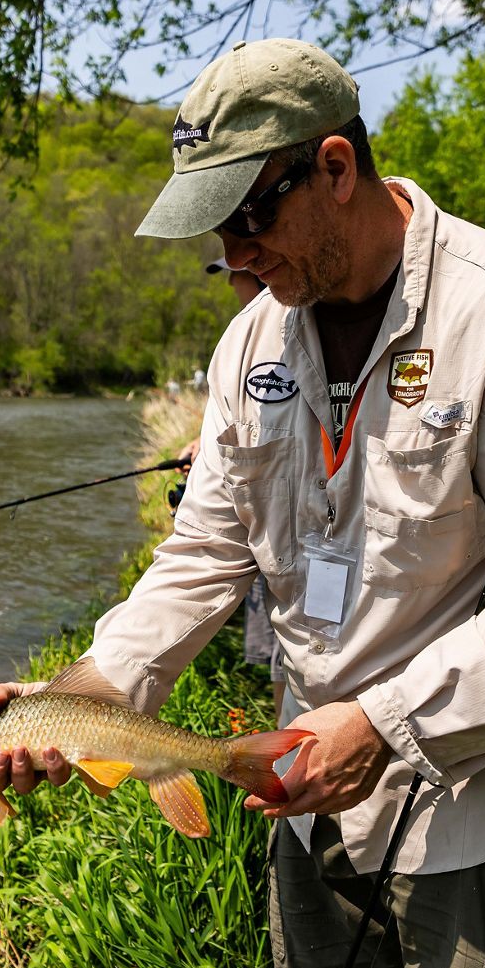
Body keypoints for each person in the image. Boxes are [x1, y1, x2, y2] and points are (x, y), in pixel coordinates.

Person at [0, 37, 485, 968]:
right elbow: (204, 548)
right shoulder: (248, 345)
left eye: (249, 215)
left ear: (336, 168)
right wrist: (83, 694)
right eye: (215, 228)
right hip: (306, 803)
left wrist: (385, 724)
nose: (234, 254)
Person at [181, 258, 285, 708]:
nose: (230, 278)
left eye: (236, 273)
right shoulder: (239, 344)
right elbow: (204, 546)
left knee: (280, 658)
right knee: (279, 660)